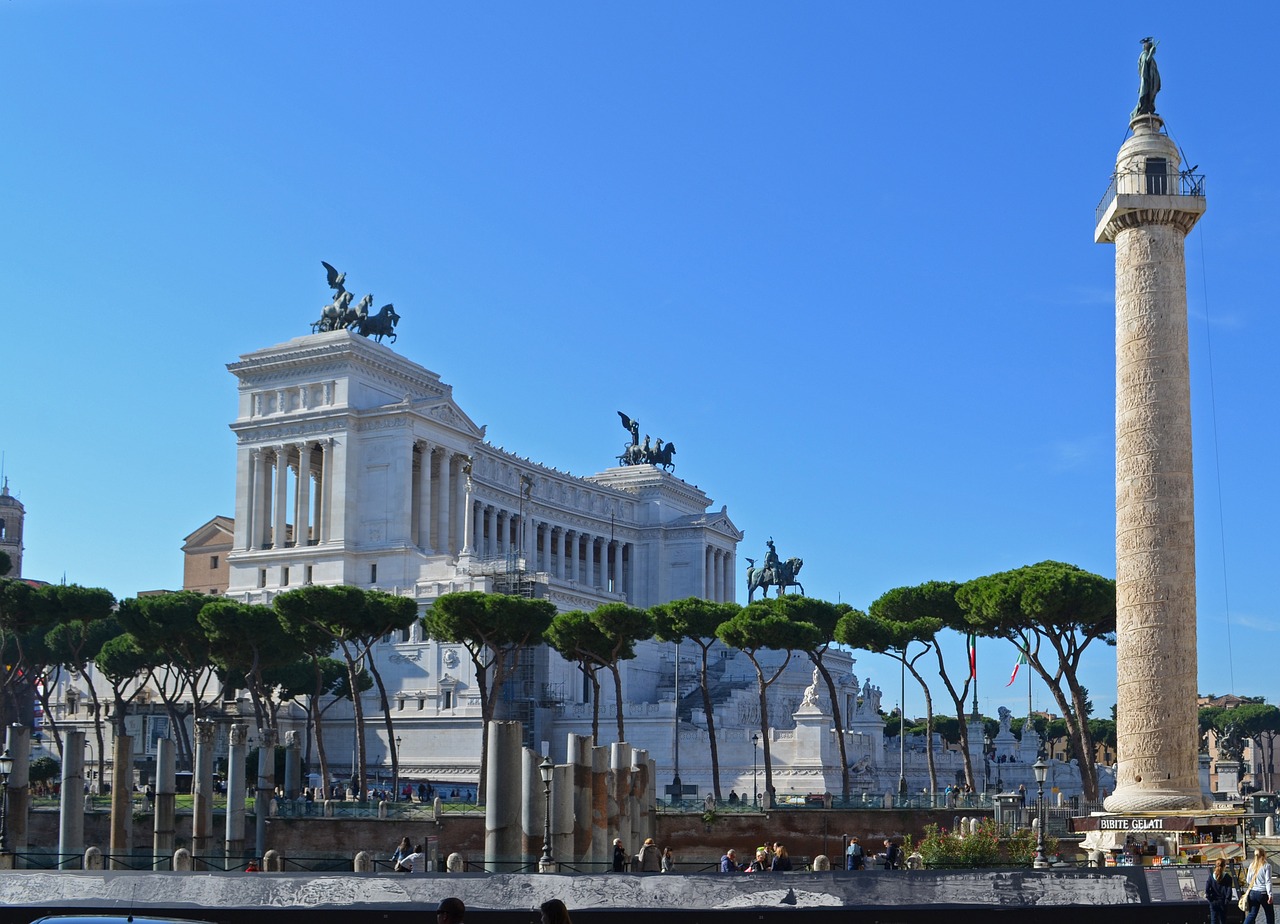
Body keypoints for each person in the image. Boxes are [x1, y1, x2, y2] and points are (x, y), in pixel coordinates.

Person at [1243, 847, 1274, 924]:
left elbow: (1248, 880)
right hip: (1263, 892)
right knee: (1269, 914)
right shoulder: (1267, 866)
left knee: (1252, 914)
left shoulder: (1251, 865)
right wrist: (1270, 894)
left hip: (1253, 892)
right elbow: (1268, 881)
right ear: (1264, 855)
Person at [1206, 857, 1233, 924]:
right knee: (1223, 920)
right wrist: (1227, 900)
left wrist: (1209, 898)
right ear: (1224, 866)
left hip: (1213, 901)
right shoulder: (1227, 877)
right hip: (1223, 901)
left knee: (1213, 920)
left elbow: (1207, 889)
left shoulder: (1211, 876)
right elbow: (1229, 890)